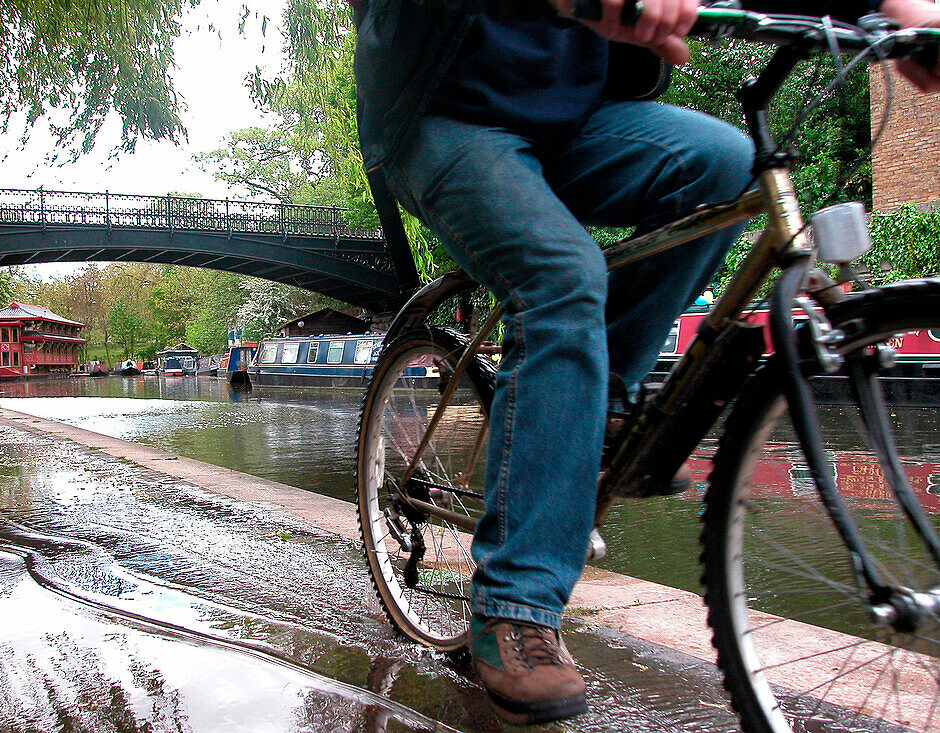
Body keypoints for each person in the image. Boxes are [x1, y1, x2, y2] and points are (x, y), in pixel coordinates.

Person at [352, 0, 940, 725]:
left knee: (731, 168)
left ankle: (590, 412)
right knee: (562, 280)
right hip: (442, 118)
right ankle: (514, 604)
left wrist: (889, 6)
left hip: (577, 119)